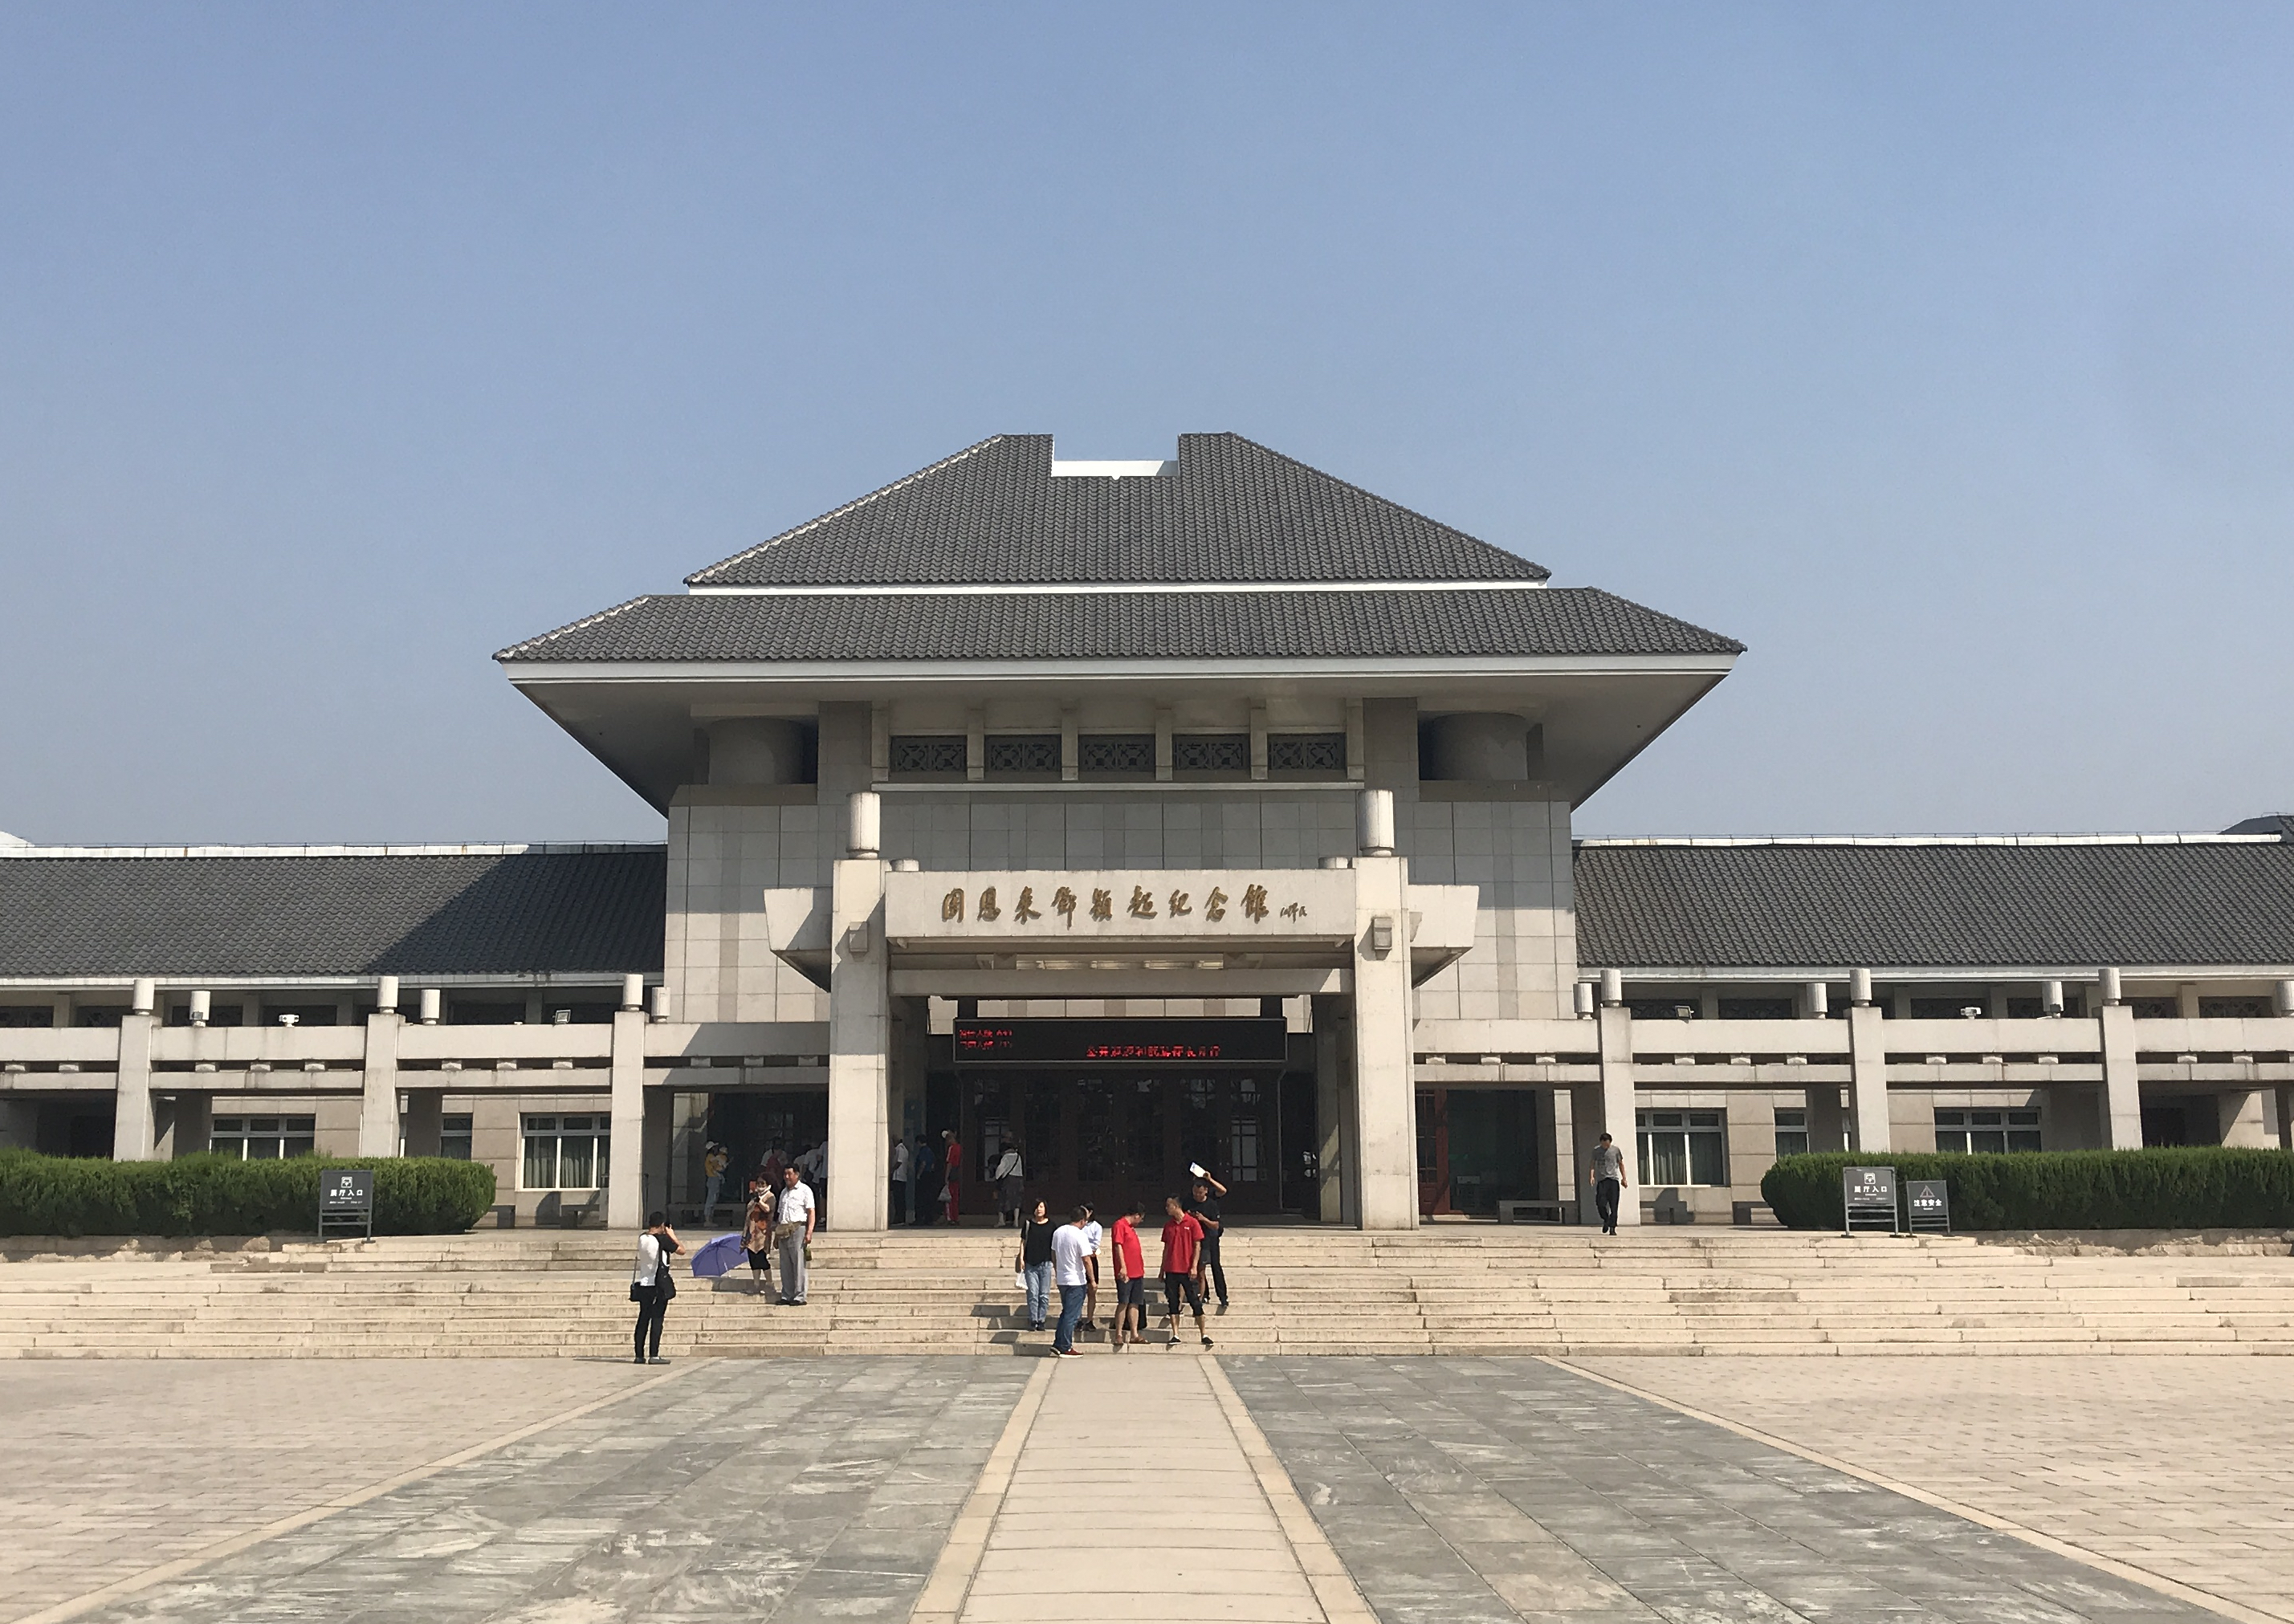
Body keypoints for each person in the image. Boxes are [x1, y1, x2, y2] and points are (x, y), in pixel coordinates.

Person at [1158, 1195, 1212, 1349]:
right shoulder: (1168, 1226)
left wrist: (1194, 1266)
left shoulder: (1192, 1223)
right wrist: (1162, 1269)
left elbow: (1197, 1246)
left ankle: (1204, 1334)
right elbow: (1166, 1249)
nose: (1167, 1208)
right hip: (1171, 1269)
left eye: (1169, 1205)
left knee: (1195, 1301)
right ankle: (1175, 1334)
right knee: (1173, 1302)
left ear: (1176, 1206)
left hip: (1187, 1269)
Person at [630, 1211, 681, 1365]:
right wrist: (672, 1235)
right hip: (658, 1284)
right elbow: (681, 1250)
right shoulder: (662, 1239)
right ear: (662, 1225)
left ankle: (639, 1355)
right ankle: (654, 1354)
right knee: (657, 1319)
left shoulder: (642, 1238)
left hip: (644, 1284)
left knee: (643, 1319)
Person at [1050, 1205, 1093, 1357]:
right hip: (1076, 1280)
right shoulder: (1080, 1235)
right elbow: (1086, 1259)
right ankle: (1065, 1346)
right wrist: (1092, 1280)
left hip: (1062, 1278)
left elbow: (1053, 1254)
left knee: (1066, 1313)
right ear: (1082, 1220)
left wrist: (1057, 1270)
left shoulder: (1058, 1232)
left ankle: (1058, 1342)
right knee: (1072, 1315)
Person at [1187, 1170, 1230, 1312]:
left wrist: (1203, 1219)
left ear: (1205, 1191)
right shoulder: (1189, 1200)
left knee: (1215, 1266)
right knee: (1200, 1268)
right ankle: (1203, 1294)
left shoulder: (1211, 1202)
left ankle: (1223, 1296)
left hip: (1210, 1237)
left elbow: (1216, 1224)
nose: (1197, 1196)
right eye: (1195, 1193)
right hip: (1195, 1238)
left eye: (1199, 1193)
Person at [774, 1162, 817, 1304]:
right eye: (785, 1174)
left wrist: (809, 1232)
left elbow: (811, 1211)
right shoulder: (784, 1192)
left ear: (797, 1175)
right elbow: (780, 1213)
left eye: (790, 1174)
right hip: (784, 1229)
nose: (787, 1177)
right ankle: (787, 1294)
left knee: (799, 1263)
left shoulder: (805, 1190)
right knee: (785, 1264)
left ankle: (799, 1295)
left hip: (798, 1228)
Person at [1110, 1198, 1147, 1350]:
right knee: (1123, 1302)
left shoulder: (1131, 1228)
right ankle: (1118, 1333)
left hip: (1137, 1271)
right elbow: (1118, 1246)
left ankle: (1134, 1334)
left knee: (1135, 1303)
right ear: (1137, 1215)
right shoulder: (1120, 1225)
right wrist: (1123, 1267)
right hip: (1126, 1271)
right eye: (1141, 1218)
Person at [1017, 1198, 1056, 1332]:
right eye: (1037, 1207)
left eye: (1042, 1207)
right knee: (1033, 1293)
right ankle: (1033, 1319)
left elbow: (1054, 1247)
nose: (1039, 1209)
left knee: (1044, 1294)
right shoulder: (1028, 1224)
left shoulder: (1051, 1225)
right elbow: (1023, 1242)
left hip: (1046, 1264)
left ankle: (1042, 1320)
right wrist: (1021, 1258)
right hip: (1030, 1264)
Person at [1589, 1131, 1628, 1235]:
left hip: (1613, 1181)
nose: (1605, 1146)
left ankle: (1612, 1228)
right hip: (1602, 1181)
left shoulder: (1615, 1150)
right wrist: (1592, 1176)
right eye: (1603, 1144)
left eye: (1607, 1144)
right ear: (1601, 1142)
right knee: (1600, 1203)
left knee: (1614, 1205)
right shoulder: (1596, 1151)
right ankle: (1606, 1219)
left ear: (1610, 1142)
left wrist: (1624, 1178)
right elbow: (1592, 1164)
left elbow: (1621, 1164)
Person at [741, 1184, 774, 1295]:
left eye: (763, 1184)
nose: (760, 1186)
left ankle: (769, 1283)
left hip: (762, 1234)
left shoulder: (770, 1197)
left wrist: (759, 1200)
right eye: (759, 1184)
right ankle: (756, 1284)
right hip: (751, 1233)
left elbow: (768, 1209)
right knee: (753, 1259)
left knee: (761, 1258)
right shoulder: (753, 1197)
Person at [1078, 1203, 1103, 1336]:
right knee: (1079, 1291)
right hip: (1079, 1260)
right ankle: (1078, 1318)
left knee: (1092, 1290)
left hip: (1091, 1259)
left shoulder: (1096, 1227)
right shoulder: (1077, 1226)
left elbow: (1095, 1245)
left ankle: (1090, 1319)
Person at [992, 1142, 1026, 1227]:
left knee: (1002, 1199)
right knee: (1017, 1200)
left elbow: (1001, 1169)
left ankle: (1001, 1220)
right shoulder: (1018, 1156)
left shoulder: (1006, 1157)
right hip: (1019, 1179)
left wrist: (997, 1177)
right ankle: (1016, 1221)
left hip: (1008, 1180)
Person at [911, 1134, 937, 1226]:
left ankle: (919, 1218)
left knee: (920, 1197)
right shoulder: (930, 1151)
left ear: (919, 1142)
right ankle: (928, 1218)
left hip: (924, 1175)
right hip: (930, 1175)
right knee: (928, 1197)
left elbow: (923, 1163)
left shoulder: (923, 1151)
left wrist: (918, 1174)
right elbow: (933, 1164)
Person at [701, 1142, 729, 1226]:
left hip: (715, 1179)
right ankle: (707, 1220)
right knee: (711, 1199)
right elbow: (718, 1165)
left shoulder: (712, 1157)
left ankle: (710, 1219)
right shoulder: (710, 1157)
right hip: (713, 1179)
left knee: (713, 1199)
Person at [940, 1128, 963, 1224]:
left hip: (952, 1173)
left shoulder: (951, 1148)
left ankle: (949, 1218)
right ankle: (956, 1217)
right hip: (957, 1173)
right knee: (955, 1197)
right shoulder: (960, 1147)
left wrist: (946, 1177)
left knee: (948, 1197)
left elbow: (949, 1163)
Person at [890, 1135, 911, 1227]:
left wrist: (891, 1170)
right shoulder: (903, 1149)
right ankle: (899, 1217)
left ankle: (900, 1218)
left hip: (898, 1177)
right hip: (901, 1177)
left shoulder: (900, 1149)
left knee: (898, 1199)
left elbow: (899, 1162)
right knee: (899, 1198)